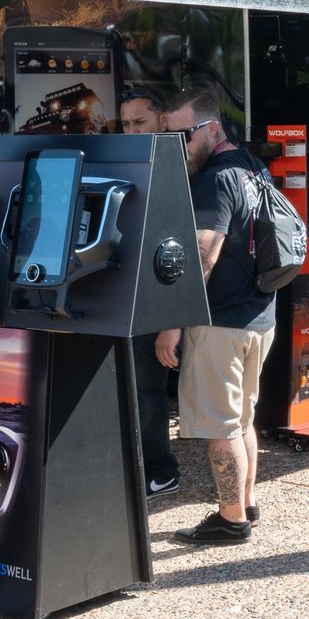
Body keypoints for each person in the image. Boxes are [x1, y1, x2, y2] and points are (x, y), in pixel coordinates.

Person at [156, 90, 274, 545]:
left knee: (221, 426)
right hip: (258, 316)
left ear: (210, 129)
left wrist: (173, 324)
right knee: (242, 419)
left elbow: (204, 254)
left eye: (181, 135)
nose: (176, 145)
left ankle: (230, 520)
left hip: (220, 321)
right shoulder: (251, 166)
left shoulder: (213, 179)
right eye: (168, 136)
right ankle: (245, 503)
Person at [118, 88, 181, 498]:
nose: (131, 130)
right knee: (132, 391)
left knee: (148, 392)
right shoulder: (126, 160)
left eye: (139, 122)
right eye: (125, 124)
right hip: (124, 296)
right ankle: (135, 466)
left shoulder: (177, 165)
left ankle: (161, 468)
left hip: (158, 302)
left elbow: (185, 252)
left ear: (162, 119)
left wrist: (170, 322)